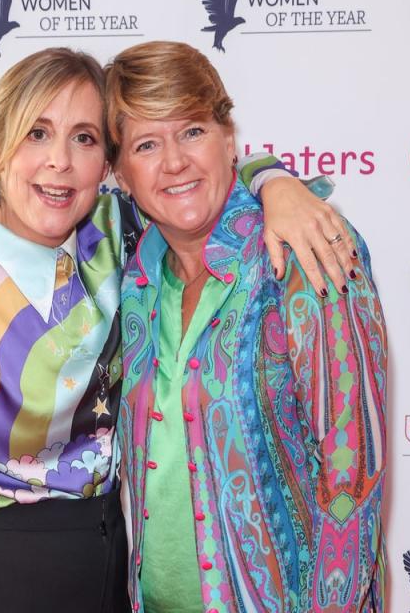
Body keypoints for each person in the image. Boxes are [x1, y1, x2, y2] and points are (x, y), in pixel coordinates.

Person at [0, 47, 356, 613]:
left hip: (115, 568)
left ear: (107, 165)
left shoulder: (116, 232)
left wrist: (277, 183)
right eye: (37, 133)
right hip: (4, 573)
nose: (60, 161)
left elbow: (199, 177)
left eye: (83, 138)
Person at [108, 41, 387, 612]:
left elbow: (351, 484)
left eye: (192, 131)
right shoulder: (134, 278)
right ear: (120, 171)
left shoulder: (305, 252)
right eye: (145, 145)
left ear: (228, 137)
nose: (175, 162)